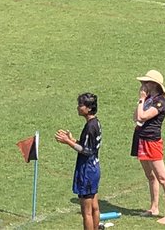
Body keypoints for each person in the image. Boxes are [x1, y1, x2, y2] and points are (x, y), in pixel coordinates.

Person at [132, 70, 165, 224]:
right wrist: (141, 101)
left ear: (154, 85)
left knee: (162, 177)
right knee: (150, 176)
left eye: (146, 83)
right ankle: (154, 207)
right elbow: (135, 116)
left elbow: (142, 116)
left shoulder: (160, 102)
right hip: (142, 139)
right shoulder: (148, 100)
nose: (143, 85)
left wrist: (141, 100)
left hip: (152, 142)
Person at [56, 92, 102, 230]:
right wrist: (72, 139)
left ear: (88, 108)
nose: (78, 107)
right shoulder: (96, 123)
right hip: (94, 168)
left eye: (80, 105)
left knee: (87, 212)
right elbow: (88, 145)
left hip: (87, 170)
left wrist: (68, 142)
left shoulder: (90, 127)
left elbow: (86, 151)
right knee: (94, 207)